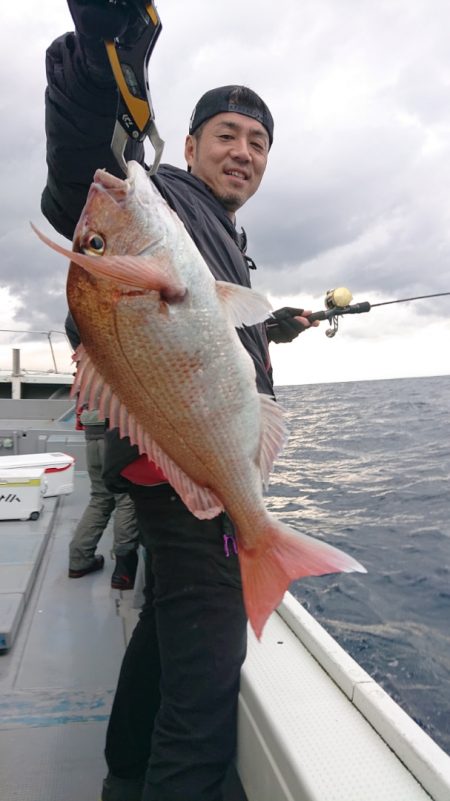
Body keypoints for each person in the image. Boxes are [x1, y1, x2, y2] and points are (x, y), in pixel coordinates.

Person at [41, 3, 318, 799]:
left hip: (178, 467)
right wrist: (96, 71)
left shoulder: (220, 232)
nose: (243, 151)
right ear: (189, 147)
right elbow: (81, 181)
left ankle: (122, 775)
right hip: (190, 475)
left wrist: (278, 329)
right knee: (201, 695)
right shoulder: (162, 198)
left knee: (161, 642)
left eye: (259, 142)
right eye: (226, 134)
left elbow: (208, 332)